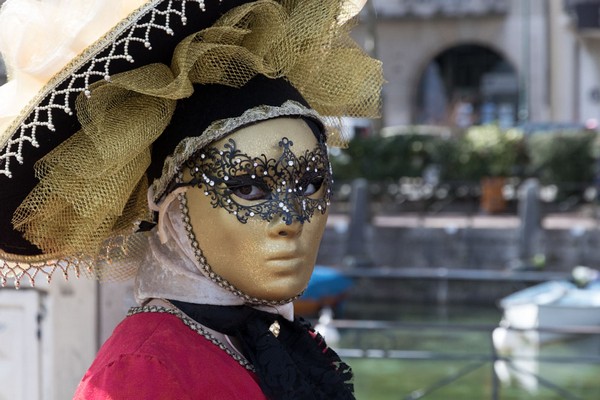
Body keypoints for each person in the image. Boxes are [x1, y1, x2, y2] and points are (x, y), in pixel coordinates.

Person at [0, 0, 382, 398]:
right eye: (248, 187)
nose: (291, 220)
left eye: (308, 185)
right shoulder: (144, 371)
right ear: (171, 207)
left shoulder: (277, 343)